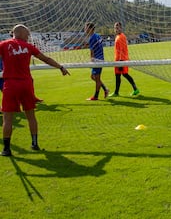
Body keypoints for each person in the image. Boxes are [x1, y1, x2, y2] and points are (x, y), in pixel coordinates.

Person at [0, 24, 70, 156]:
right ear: (19, 33)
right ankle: (34, 143)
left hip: (10, 85)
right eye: (27, 33)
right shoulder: (28, 47)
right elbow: (46, 59)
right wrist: (60, 67)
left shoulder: (3, 45)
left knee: (8, 119)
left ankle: (6, 149)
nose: (28, 36)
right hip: (25, 85)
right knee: (30, 116)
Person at [108, 22, 140, 97]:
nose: (116, 29)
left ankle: (135, 89)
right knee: (118, 75)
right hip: (118, 60)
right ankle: (116, 92)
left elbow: (122, 50)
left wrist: (121, 61)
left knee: (125, 74)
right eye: (115, 28)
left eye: (118, 27)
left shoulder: (121, 37)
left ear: (121, 28)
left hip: (121, 60)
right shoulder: (117, 36)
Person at [85, 22, 109, 100]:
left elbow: (92, 51)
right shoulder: (97, 36)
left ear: (91, 29)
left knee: (97, 78)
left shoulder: (92, 38)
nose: (85, 30)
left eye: (86, 28)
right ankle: (105, 89)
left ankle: (96, 96)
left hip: (97, 60)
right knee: (92, 77)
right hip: (100, 58)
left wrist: (92, 61)